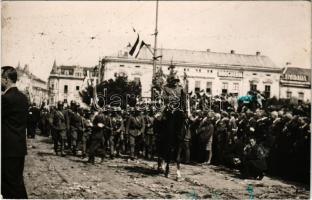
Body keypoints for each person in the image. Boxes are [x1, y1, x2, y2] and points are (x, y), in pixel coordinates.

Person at [1, 66, 29, 198]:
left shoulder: (5, 99)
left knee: (9, 186)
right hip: (19, 148)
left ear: (6, 80)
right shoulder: (23, 98)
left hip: (7, 149)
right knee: (16, 183)